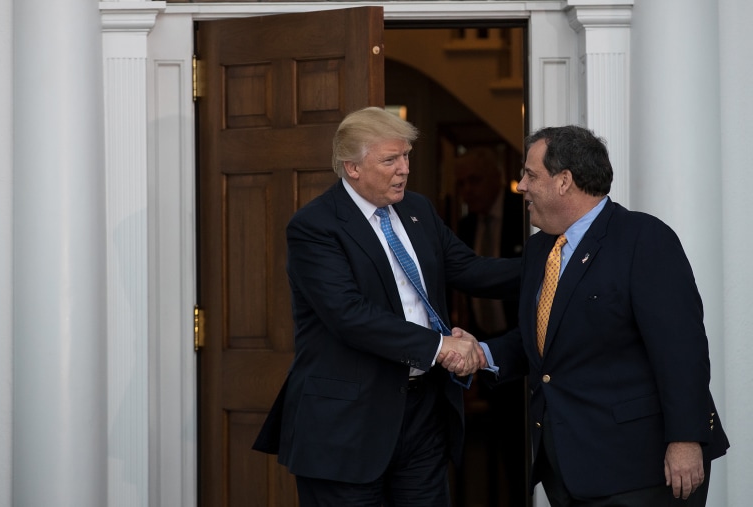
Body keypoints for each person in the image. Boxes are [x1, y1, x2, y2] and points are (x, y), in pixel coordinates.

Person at [252, 106, 521, 506]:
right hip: (348, 427)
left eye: (406, 156)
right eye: (390, 159)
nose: (404, 169)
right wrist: (440, 347)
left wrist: (555, 265)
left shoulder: (418, 210)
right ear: (352, 167)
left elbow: (470, 269)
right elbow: (349, 315)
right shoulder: (316, 226)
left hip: (423, 413)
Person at [464, 125, 729, 506]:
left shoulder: (642, 238)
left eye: (530, 174)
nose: (520, 185)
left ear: (564, 181)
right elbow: (544, 343)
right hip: (568, 469)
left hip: (639, 470)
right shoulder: (541, 250)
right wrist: (480, 354)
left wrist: (686, 440)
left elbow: (681, 351)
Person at [453, 146, 528, 507]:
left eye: (475, 179)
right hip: (483, 350)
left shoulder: (525, 215)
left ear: (497, 177)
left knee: (522, 446)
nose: (468, 190)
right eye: (462, 183)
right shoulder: (465, 226)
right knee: (496, 443)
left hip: (525, 349)